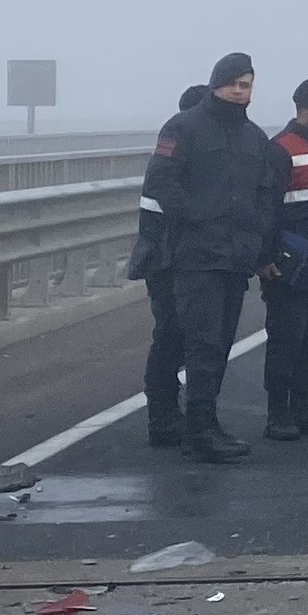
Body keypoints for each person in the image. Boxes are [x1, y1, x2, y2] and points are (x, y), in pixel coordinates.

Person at [135, 53, 279, 465]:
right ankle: (196, 427)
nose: (239, 90)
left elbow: (264, 194)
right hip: (194, 255)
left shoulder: (255, 138)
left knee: (218, 343)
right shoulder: (184, 128)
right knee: (195, 340)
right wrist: (199, 218)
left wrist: (258, 242)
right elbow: (162, 182)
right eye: (232, 82)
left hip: (236, 257)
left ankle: (202, 421)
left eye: (246, 83)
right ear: (215, 84)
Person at [126, 82, 212, 449]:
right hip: (166, 258)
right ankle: (162, 414)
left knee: (182, 335)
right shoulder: (177, 153)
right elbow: (174, 203)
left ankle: (173, 413)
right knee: (172, 334)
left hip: (174, 255)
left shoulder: (185, 151)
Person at [257, 77, 308, 443]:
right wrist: (264, 257)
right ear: (306, 109)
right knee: (285, 340)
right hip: (289, 261)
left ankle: (304, 408)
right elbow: (264, 208)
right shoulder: (280, 150)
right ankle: (279, 413)